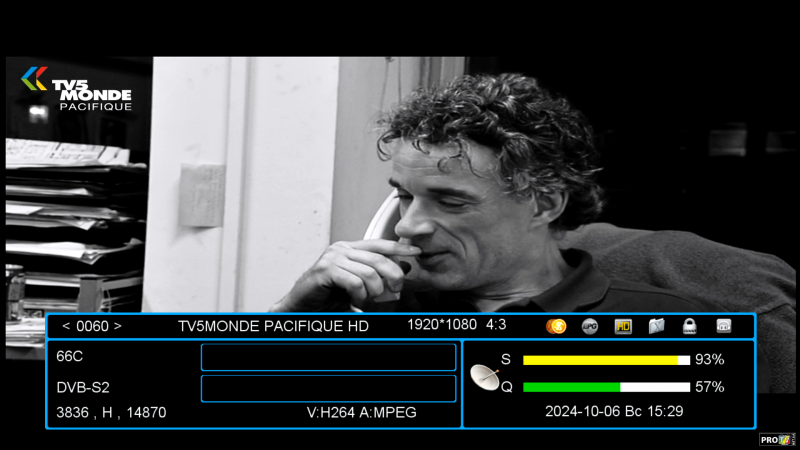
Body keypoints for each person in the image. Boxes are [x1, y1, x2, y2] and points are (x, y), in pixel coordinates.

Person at [271, 73, 731, 316]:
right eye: (405, 197)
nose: (408, 226)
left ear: (544, 204)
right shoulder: (381, 308)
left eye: (450, 201)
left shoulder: (668, 327)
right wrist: (293, 314)